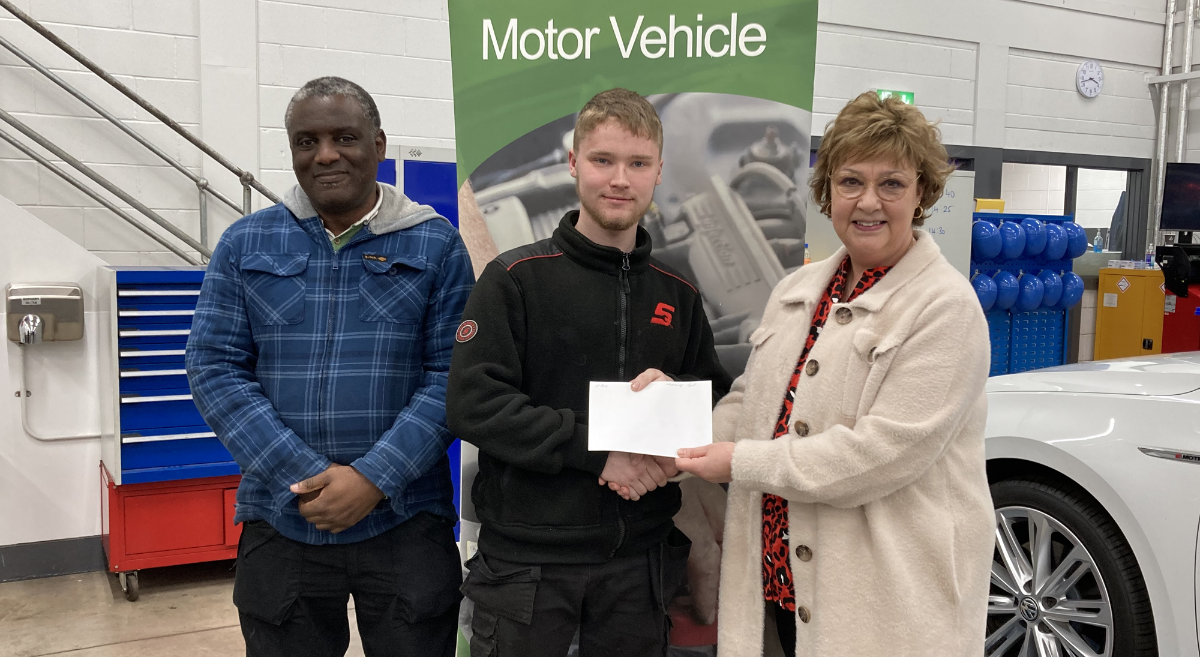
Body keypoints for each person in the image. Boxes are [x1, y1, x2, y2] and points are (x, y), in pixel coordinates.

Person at [675, 91, 994, 656]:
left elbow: (878, 455)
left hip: (881, 606)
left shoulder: (945, 307)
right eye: (851, 182)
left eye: (891, 183)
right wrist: (672, 433)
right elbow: (750, 404)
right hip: (779, 589)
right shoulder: (796, 291)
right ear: (828, 192)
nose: (868, 201)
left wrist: (737, 461)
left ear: (921, 192)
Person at [186, 76, 474, 657]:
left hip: (406, 518)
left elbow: (453, 373)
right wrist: (304, 476)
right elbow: (213, 367)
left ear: (379, 145)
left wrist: (373, 478)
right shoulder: (245, 244)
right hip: (281, 516)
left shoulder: (435, 245)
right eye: (305, 141)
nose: (325, 154)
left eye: (345, 137)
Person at [446, 88, 732, 657]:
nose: (619, 179)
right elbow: (473, 403)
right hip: (529, 568)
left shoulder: (679, 293)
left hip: (639, 567)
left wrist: (675, 422)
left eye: (637, 163)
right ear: (574, 164)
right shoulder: (515, 279)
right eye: (603, 160)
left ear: (658, 172)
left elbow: (718, 401)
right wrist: (600, 450)